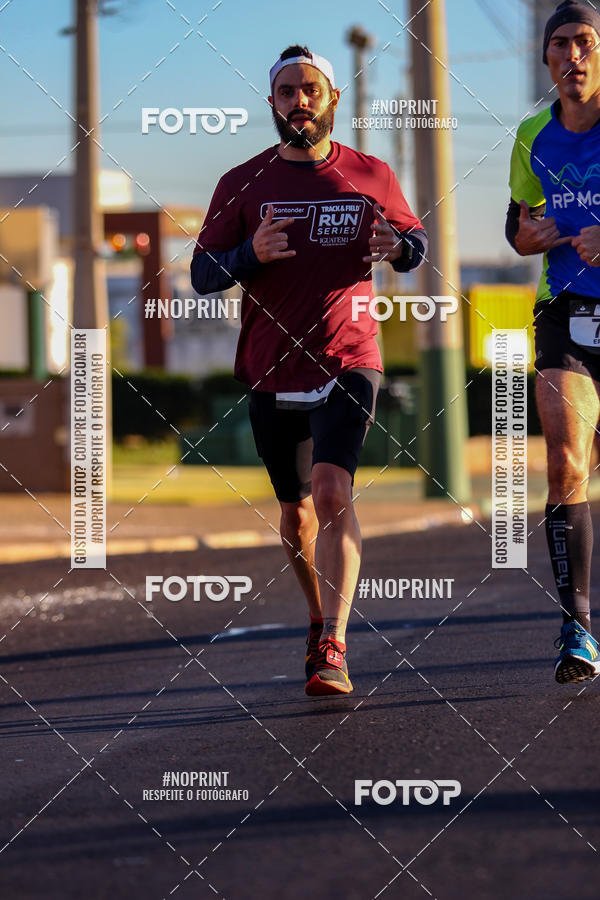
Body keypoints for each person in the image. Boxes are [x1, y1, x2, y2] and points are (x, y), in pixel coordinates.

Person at [191, 45, 427, 695]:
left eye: (312, 90)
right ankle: (318, 613)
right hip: (272, 368)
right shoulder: (242, 183)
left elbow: (414, 243)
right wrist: (250, 252)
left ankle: (334, 643)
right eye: (288, 91)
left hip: (349, 357)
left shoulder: (371, 174)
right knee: (296, 515)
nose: (300, 101)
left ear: (333, 100)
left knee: (332, 493)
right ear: (272, 103)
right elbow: (202, 274)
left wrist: (396, 246)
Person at [506, 0, 600, 682]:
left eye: (586, 42)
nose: (573, 55)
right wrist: (525, 236)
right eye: (561, 44)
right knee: (567, 461)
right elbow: (516, 222)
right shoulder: (531, 134)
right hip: (565, 310)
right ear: (546, 58)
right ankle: (578, 626)